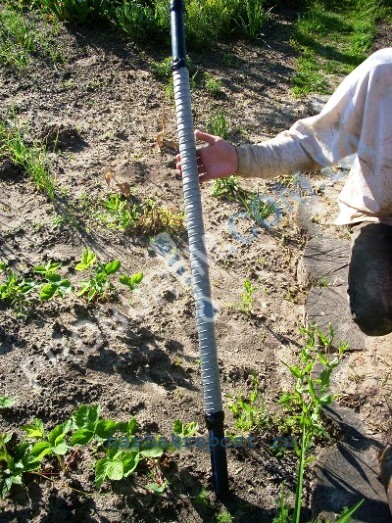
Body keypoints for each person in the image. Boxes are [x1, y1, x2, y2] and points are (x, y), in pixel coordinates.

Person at [176, 47, 392, 337]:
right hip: (383, 214)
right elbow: (311, 143)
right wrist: (242, 158)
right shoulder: (383, 73)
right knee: (374, 309)